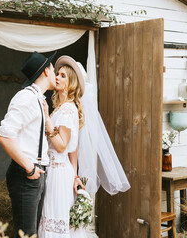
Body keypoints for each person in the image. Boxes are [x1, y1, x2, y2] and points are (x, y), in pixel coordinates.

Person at [38, 56, 131, 238]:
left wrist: (47, 120)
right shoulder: (60, 108)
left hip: (58, 174)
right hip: (61, 172)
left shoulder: (67, 109)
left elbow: (61, 146)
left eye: (63, 75)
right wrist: (75, 176)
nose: (57, 77)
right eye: (57, 74)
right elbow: (74, 150)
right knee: (55, 220)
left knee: (56, 222)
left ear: (71, 82)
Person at [0, 51, 57, 238]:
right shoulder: (26, 98)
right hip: (26, 175)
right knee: (26, 234)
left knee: (31, 234)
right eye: (53, 69)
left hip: (35, 173)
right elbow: (4, 135)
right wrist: (30, 168)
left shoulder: (38, 99)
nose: (55, 74)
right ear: (46, 71)